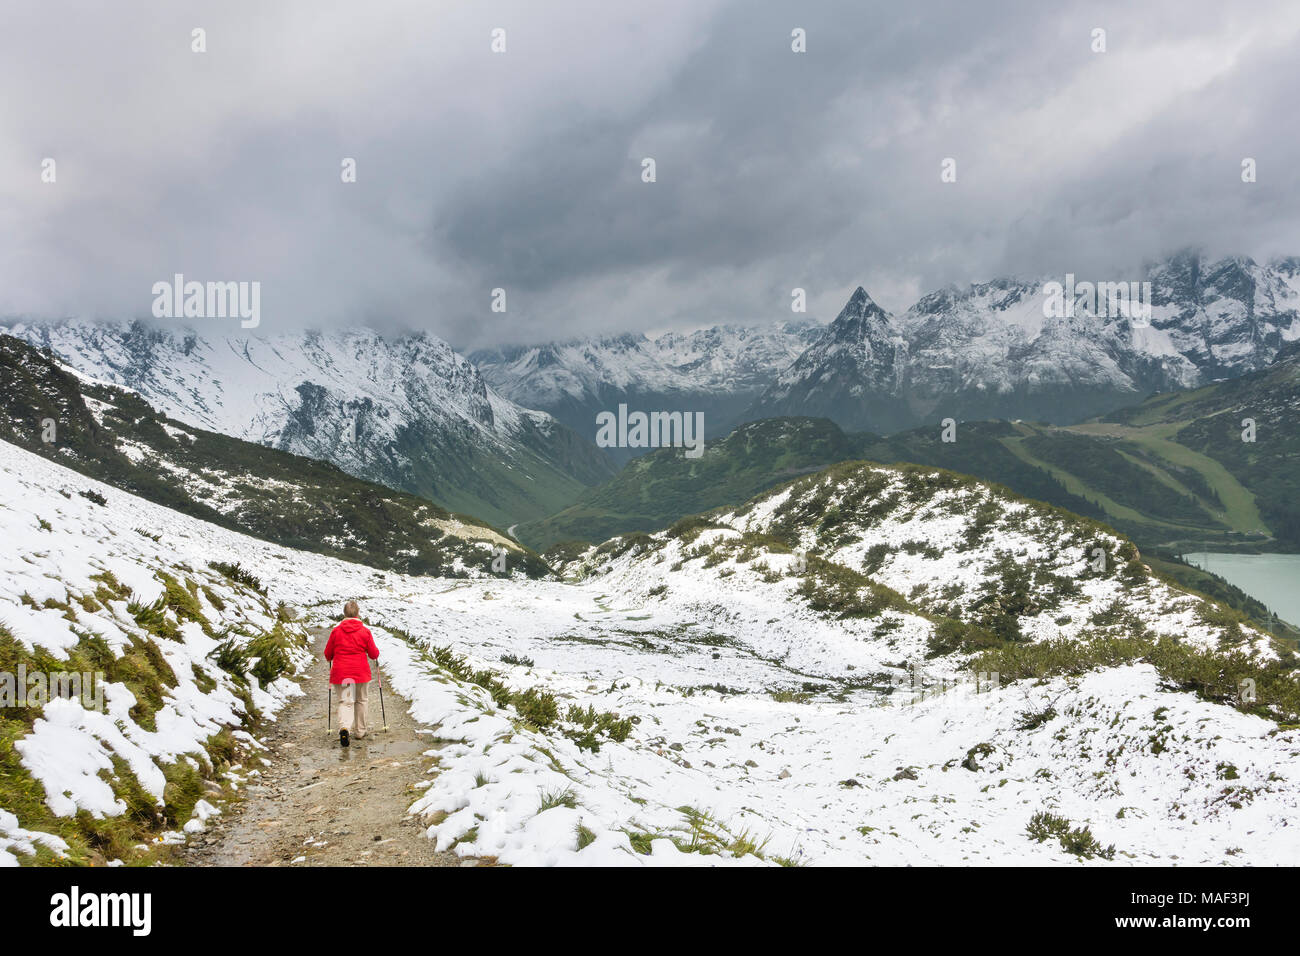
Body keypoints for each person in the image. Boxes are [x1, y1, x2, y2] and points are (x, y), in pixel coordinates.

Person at [323, 601, 379, 747]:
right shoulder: (365, 631)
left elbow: (328, 654)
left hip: (342, 673)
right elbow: (373, 654)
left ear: (344, 614)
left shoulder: (336, 631)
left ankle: (345, 728)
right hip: (360, 673)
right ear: (358, 613)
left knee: (346, 701)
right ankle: (360, 731)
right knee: (361, 700)